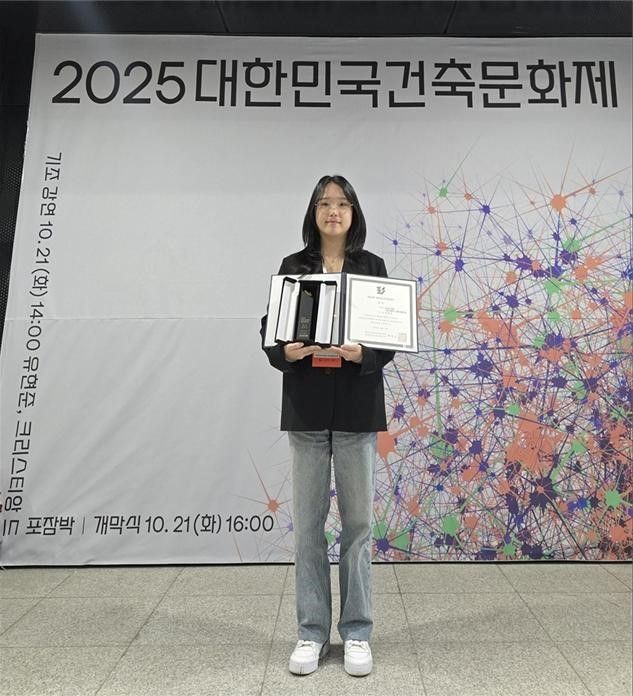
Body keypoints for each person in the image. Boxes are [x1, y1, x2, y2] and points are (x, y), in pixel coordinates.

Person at [260, 174, 394, 677]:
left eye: (341, 203)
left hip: (357, 408)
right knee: (309, 528)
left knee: (358, 526)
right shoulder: (293, 266)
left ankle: (357, 631)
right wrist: (286, 352)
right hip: (309, 410)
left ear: (354, 212)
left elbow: (389, 337)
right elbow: (271, 333)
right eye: (324, 203)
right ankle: (311, 632)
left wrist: (365, 354)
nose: (333, 211)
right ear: (313, 213)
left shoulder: (371, 267)